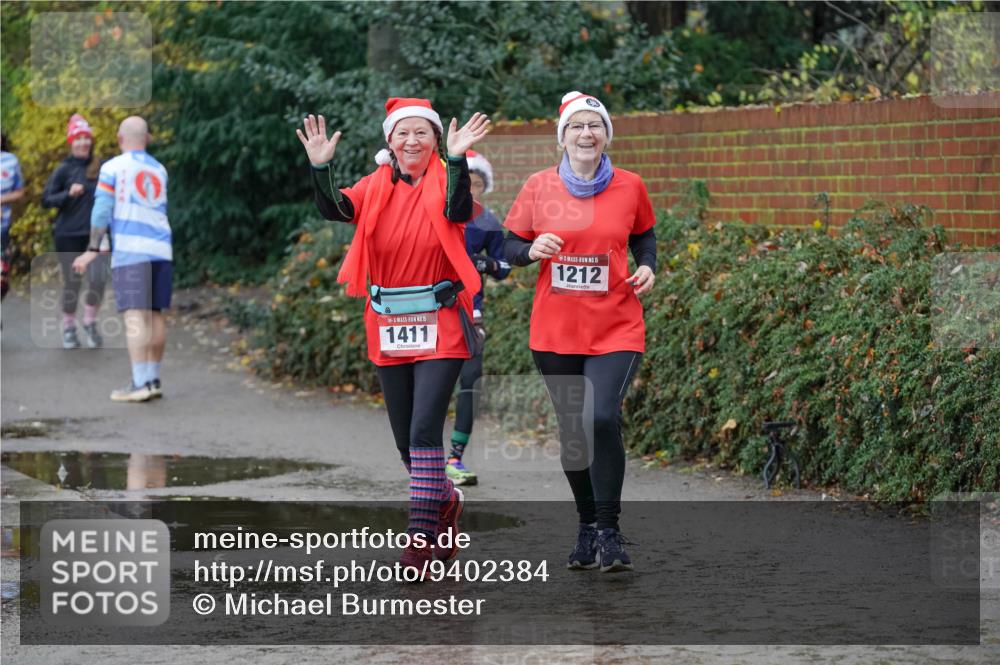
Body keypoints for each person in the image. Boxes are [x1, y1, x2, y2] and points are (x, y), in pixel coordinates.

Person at [297, 98, 490, 575]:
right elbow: (337, 208)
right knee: (406, 442)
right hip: (388, 326)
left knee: (425, 431)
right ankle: (446, 500)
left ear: (436, 141)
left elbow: (458, 208)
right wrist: (321, 169)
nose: (412, 141)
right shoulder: (374, 185)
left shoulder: (448, 179)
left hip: (441, 322)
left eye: (422, 132)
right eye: (402, 133)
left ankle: (419, 543)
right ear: (390, 141)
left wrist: (458, 159)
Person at [503, 91, 656, 573]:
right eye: (576, 126)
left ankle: (609, 531)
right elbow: (509, 245)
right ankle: (587, 526)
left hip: (616, 326)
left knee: (601, 418)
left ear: (606, 135)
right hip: (556, 331)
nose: (585, 133)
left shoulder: (630, 186)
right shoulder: (538, 186)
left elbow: (644, 235)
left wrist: (648, 266)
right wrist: (531, 251)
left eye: (594, 125)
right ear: (562, 137)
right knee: (574, 431)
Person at [72, 116, 172, 403]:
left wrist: (93, 248)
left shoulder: (113, 167)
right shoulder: (160, 169)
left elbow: (101, 210)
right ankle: (153, 380)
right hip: (161, 248)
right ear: (147, 139)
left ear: (119, 139)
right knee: (155, 314)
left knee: (135, 316)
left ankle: (139, 383)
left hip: (131, 250)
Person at [446, 150, 510, 486]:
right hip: (432, 312)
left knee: (470, 383)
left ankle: (455, 458)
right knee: (433, 386)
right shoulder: (436, 213)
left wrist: (486, 263)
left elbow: (505, 267)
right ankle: (423, 457)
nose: (470, 190)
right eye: (464, 183)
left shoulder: (488, 221)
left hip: (471, 313)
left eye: (476, 184)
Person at [42, 114, 110, 348]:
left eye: (86, 138)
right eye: (78, 138)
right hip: (68, 235)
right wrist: (67, 194)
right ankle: (69, 327)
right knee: (73, 283)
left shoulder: (101, 166)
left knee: (99, 280)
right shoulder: (63, 169)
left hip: (96, 235)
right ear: (71, 141)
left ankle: (90, 322)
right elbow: (46, 200)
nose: (83, 142)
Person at [1, 132, 25, 301]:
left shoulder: (11, 161)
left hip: (3, 229)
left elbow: (20, 192)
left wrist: (1, 200)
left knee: (2, 280)